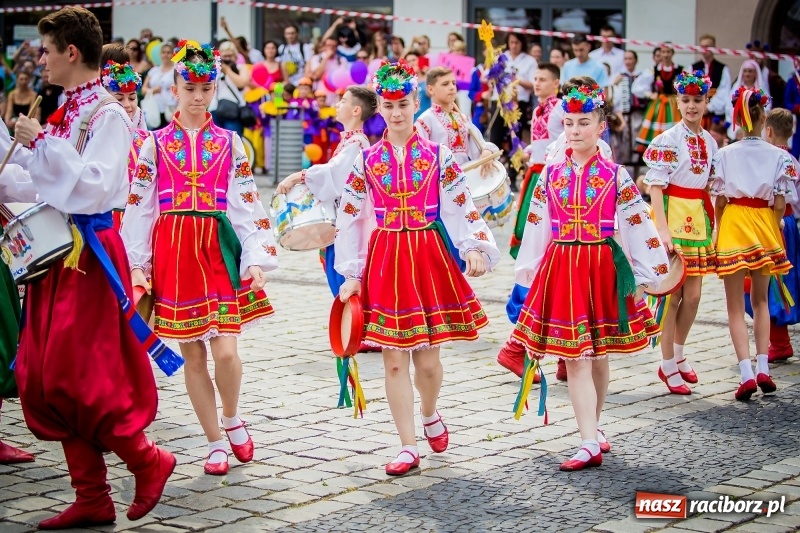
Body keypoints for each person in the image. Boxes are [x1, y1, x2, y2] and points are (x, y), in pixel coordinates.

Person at [0, 7, 174, 528]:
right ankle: (92, 495)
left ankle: (147, 458)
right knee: (44, 373)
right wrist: (14, 174)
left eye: (48, 50)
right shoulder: (67, 109)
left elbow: (94, 185)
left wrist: (40, 144)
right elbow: (48, 182)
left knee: (81, 375)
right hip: (55, 251)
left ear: (71, 52)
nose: (42, 60)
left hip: (88, 254)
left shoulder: (108, 115)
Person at [335, 61, 500, 476]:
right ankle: (407, 445)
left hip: (428, 254)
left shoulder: (439, 154)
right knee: (393, 360)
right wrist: (351, 273)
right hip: (386, 259)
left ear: (415, 104)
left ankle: (429, 411)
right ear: (380, 109)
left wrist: (475, 246)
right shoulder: (366, 160)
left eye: (403, 104)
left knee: (427, 362)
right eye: (389, 106)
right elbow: (351, 217)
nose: (396, 113)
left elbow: (460, 203)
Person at [123, 40, 278, 476]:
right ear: (174, 88)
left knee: (226, 352)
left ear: (214, 90)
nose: (197, 96)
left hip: (216, 247)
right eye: (189, 87)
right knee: (193, 355)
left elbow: (247, 203)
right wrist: (138, 263)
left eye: (205, 88)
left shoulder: (232, 143)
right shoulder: (153, 145)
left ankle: (231, 417)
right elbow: (140, 207)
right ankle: (213, 441)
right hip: (172, 250)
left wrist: (255, 258)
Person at [511, 77, 667, 471]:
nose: (575, 130)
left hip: (601, 265)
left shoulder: (617, 175)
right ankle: (587, 440)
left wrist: (650, 274)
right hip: (562, 265)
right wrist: (528, 271)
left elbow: (637, 224)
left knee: (597, 353)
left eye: (584, 122)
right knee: (577, 356)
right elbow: (536, 224)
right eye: (569, 123)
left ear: (601, 126)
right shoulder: (550, 175)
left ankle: (593, 429)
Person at [711, 87, 795, 401]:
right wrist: (773, 229)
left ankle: (746, 372)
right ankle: (763, 367)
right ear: (763, 121)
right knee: (761, 300)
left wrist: (719, 231)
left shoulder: (724, 154)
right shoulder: (780, 156)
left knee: (734, 306)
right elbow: (779, 203)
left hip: (734, 222)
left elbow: (719, 200)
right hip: (763, 224)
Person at [643, 71, 718, 395]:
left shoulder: (711, 141)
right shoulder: (667, 140)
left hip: (698, 220)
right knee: (672, 296)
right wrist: (661, 229)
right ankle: (667, 362)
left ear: (706, 102)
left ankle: (679, 351)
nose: (691, 106)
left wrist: (713, 225)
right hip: (673, 216)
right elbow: (655, 187)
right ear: (677, 102)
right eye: (685, 100)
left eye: (697, 100)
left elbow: (711, 187)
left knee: (695, 296)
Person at [276, 86, 376, 296]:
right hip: (341, 220)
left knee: (343, 280)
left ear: (356, 110)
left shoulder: (357, 143)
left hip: (348, 223)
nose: (337, 105)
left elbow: (335, 173)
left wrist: (299, 176)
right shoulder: (350, 141)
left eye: (343, 101)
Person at [498, 62, 564, 380]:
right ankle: (524, 346)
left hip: (552, 179)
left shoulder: (561, 110)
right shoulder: (539, 111)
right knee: (542, 262)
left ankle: (568, 352)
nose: (536, 83)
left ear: (557, 83)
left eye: (542, 79)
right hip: (546, 183)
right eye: (534, 79)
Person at [743, 108, 800, 362]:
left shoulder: (773, 158)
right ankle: (778, 341)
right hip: (788, 222)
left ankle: (778, 342)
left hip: (773, 223)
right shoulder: (792, 160)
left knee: (767, 283)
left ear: (767, 131)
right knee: (779, 281)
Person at [100, 44, 149, 230]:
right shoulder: (98, 114)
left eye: (132, 98)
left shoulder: (138, 116)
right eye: (120, 98)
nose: (127, 105)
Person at [415, 66, 498, 171]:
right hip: (439, 182)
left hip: (466, 179)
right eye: (445, 84)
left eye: (453, 83)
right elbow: (419, 157)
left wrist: (487, 152)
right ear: (431, 89)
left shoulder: (462, 118)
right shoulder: (425, 120)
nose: (452, 87)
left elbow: (480, 145)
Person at [633, 43, 683, 151]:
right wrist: (649, 94)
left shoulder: (680, 69)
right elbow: (636, 87)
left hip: (675, 104)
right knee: (657, 131)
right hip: (659, 104)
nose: (665, 55)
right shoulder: (654, 70)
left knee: (676, 130)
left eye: (668, 52)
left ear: (672, 53)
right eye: (663, 52)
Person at [211, 40, 251, 136]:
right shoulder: (215, 69)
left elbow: (242, 83)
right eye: (225, 56)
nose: (228, 59)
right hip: (215, 108)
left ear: (236, 56)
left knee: (232, 142)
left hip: (234, 111)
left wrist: (228, 70)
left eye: (230, 56)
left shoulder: (242, 67)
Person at [691, 35, 730, 130]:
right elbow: (689, 90)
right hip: (697, 112)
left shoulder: (723, 68)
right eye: (702, 46)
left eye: (707, 46)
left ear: (714, 48)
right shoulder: (692, 67)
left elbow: (724, 91)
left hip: (714, 114)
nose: (705, 49)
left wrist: (709, 107)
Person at [727, 59, 771, 139]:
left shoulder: (761, 88)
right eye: (745, 71)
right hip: (739, 122)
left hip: (758, 122)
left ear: (755, 73)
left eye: (750, 71)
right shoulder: (736, 88)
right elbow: (729, 107)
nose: (747, 74)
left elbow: (767, 107)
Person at [141, 41, 177, 128]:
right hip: (155, 108)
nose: (166, 55)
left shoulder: (176, 71)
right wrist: (153, 91)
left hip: (170, 107)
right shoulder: (154, 70)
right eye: (163, 52)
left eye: (169, 52)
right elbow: (143, 89)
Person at [787, 62, 800, 160]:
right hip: (797, 121)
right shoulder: (792, 81)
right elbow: (787, 102)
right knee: (795, 151)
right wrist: (797, 108)